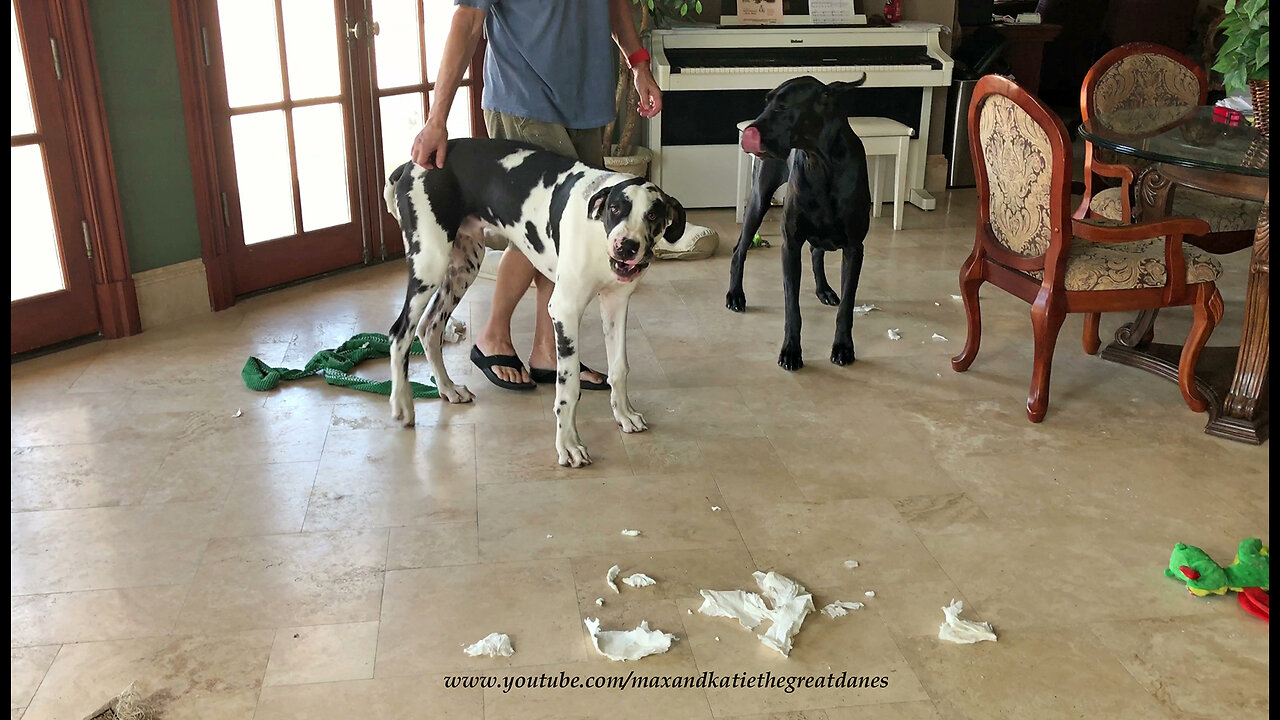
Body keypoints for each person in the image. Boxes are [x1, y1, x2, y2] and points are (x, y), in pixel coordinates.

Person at [410, 0, 717, 391]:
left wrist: (639, 65)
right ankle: (493, 337)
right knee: (536, 230)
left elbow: (615, 5)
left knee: (568, 235)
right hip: (524, 95)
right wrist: (437, 119)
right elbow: (469, 19)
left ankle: (547, 352)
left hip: (585, 104)